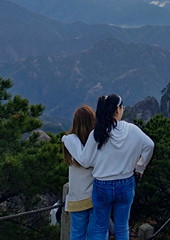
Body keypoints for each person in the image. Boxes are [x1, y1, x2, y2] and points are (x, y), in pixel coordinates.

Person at [62, 94, 155, 240]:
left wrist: (69, 140)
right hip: (126, 182)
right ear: (117, 109)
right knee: (122, 227)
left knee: (99, 228)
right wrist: (139, 167)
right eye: (122, 106)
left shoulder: (98, 133)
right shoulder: (132, 130)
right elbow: (149, 145)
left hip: (102, 185)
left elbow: (85, 161)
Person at [62, 105, 96, 240]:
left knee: (77, 234)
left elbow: (82, 161)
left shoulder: (70, 141)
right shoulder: (97, 142)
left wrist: (65, 138)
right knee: (97, 233)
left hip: (77, 196)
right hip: (95, 195)